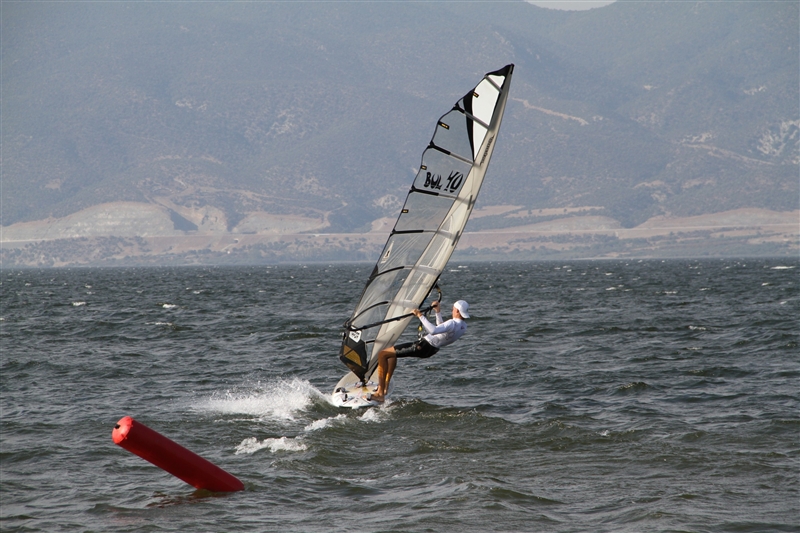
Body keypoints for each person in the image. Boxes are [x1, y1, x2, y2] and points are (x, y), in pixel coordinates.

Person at [369, 299, 470, 402]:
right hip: (431, 350)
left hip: (423, 346)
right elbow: (441, 329)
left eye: (453, 309)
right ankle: (385, 388)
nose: (452, 310)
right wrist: (437, 312)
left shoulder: (452, 322)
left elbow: (434, 330)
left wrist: (419, 315)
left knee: (382, 354)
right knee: (391, 355)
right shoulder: (463, 327)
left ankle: (380, 394)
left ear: (457, 311)